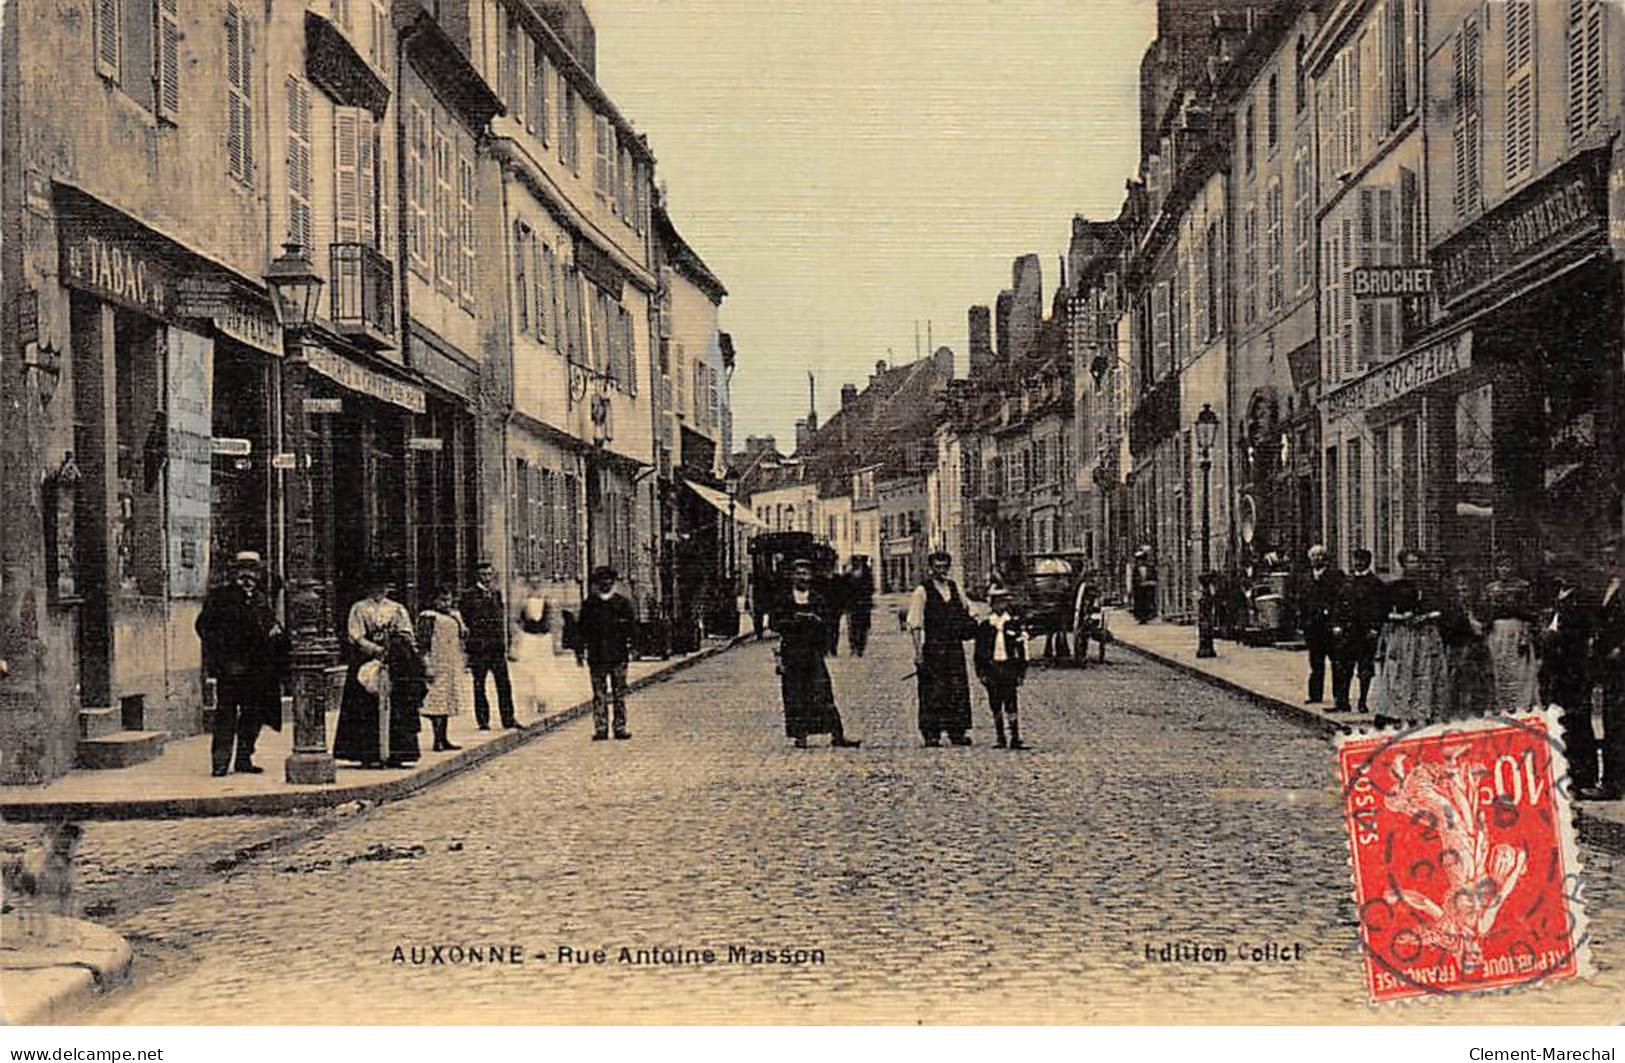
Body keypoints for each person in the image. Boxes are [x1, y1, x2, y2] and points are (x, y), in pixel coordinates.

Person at [195, 551, 287, 776]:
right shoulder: (220, 597)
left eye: (253, 570)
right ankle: (220, 762)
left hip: (258, 670)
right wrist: (222, 655)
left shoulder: (260, 599)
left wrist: (275, 631)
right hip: (231, 668)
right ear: (234, 572)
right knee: (226, 714)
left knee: (253, 714)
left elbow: (269, 625)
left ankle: (244, 759)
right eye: (243, 569)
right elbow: (203, 627)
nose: (248, 575)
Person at [334, 570, 422, 768]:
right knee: (364, 705)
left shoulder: (397, 608)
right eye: (375, 587)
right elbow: (356, 635)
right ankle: (366, 753)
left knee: (396, 704)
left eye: (383, 587)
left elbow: (406, 632)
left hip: (394, 662)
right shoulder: (359, 608)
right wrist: (375, 649)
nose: (379, 591)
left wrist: (394, 647)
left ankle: (397, 753)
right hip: (365, 659)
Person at [773, 559, 861, 749]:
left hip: (812, 653)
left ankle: (837, 735)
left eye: (805, 573)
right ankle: (800, 735)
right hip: (792, 652)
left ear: (810, 576)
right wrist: (794, 621)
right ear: (792, 576)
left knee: (822, 692)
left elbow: (828, 623)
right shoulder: (784, 599)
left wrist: (816, 622)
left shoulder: (817, 598)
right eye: (798, 573)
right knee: (795, 695)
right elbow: (775, 623)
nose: (802, 577)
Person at [1372, 548, 1449, 726]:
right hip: (1403, 635)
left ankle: (1422, 711)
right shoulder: (1394, 586)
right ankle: (1397, 712)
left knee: (1424, 672)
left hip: (1426, 635)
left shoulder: (1431, 586)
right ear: (1403, 564)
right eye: (1411, 562)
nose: (1415, 566)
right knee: (1400, 673)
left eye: (1417, 562)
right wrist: (1400, 617)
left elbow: (1442, 610)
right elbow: (1381, 613)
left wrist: (1428, 616)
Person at [907, 550, 977, 747]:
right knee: (933, 690)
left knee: (956, 688)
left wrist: (972, 623)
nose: (941, 570)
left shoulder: (955, 588)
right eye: (937, 567)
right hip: (934, 648)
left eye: (944, 566)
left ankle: (957, 731)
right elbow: (915, 623)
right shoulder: (922, 591)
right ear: (931, 568)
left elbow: (969, 609)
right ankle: (932, 732)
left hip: (954, 647)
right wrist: (918, 653)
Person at [1541, 572, 1597, 796]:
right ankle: (1570, 774)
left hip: (1573, 668)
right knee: (1563, 720)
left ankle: (1584, 776)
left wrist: (1554, 637)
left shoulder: (1580, 599)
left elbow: (1576, 635)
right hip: (1559, 668)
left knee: (1578, 722)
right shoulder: (1558, 596)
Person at [1583, 534, 1625, 800]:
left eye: (1612, 554)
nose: (1607, 559)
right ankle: (1612, 779)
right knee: (1612, 720)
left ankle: (1612, 783)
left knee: (1617, 721)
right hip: (1609, 665)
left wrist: (1620, 648)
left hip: (1620, 662)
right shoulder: (1610, 585)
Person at [575, 566, 637, 741]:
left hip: (618, 655)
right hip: (597, 656)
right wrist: (579, 652)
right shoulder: (590, 605)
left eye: (608, 580)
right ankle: (601, 727)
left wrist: (632, 647)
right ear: (597, 583)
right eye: (601, 580)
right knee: (599, 693)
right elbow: (582, 630)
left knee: (619, 693)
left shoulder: (622, 603)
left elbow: (631, 629)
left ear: (613, 582)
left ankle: (620, 726)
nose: (605, 583)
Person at [460, 560, 519, 731]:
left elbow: (501, 620)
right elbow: (466, 620)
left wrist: (506, 642)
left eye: (489, 574)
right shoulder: (469, 595)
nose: (487, 578)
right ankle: (483, 720)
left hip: (496, 647)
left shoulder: (496, 594)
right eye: (483, 575)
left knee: (504, 684)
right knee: (479, 685)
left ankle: (508, 718)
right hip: (479, 648)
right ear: (477, 576)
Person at [1483, 553, 1540, 713]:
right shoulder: (1490, 588)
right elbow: (1486, 612)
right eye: (1501, 566)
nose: (1504, 570)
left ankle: (1521, 704)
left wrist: (1525, 635)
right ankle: (1501, 704)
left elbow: (1530, 612)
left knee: (1519, 668)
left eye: (1508, 566)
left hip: (1517, 628)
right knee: (1500, 667)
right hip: (1497, 631)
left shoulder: (1523, 586)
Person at [973, 585, 1028, 749]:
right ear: (991, 604)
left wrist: (1021, 671)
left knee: (1011, 701)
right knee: (995, 702)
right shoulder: (985, 626)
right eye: (996, 603)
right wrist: (981, 671)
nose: (999, 606)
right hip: (992, 668)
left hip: (1009, 667)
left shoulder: (1013, 625)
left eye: (1003, 603)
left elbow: (1022, 649)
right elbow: (979, 650)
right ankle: (1000, 737)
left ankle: (1015, 736)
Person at [1334, 548, 1385, 713]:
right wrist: (1337, 625)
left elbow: (1380, 609)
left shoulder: (1375, 583)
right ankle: (1343, 702)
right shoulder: (1347, 581)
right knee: (1344, 667)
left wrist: (1375, 628)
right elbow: (1338, 605)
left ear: (1368, 562)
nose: (1357, 563)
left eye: (1361, 560)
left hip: (1365, 633)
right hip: (1348, 631)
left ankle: (1362, 701)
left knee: (1365, 669)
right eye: (1355, 560)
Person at [416, 586, 466, 753]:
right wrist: (426, 665)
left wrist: (459, 620)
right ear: (434, 600)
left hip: (449, 664)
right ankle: (437, 739)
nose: (446, 603)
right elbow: (422, 644)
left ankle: (444, 738)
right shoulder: (428, 617)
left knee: (446, 702)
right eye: (442, 600)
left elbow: (463, 636)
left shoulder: (452, 616)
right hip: (435, 663)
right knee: (436, 703)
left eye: (449, 600)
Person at [1440, 566, 1492, 719]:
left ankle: (1476, 708)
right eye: (1459, 589)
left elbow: (1484, 625)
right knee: (1455, 677)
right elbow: (1447, 627)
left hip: (1476, 645)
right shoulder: (1451, 607)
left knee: (1477, 678)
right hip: (1457, 644)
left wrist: (1473, 621)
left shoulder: (1481, 605)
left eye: (1466, 589)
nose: (1463, 592)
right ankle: (1455, 710)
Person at [1300, 544, 1345, 706]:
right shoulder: (1305, 578)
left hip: (1330, 627)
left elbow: (1340, 601)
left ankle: (1339, 696)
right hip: (1313, 628)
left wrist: (1337, 622)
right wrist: (1303, 623)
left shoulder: (1336, 576)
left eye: (1320, 555)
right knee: (1315, 663)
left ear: (1325, 558)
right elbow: (1301, 602)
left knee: (1336, 663)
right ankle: (1315, 695)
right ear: (1310, 559)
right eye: (1314, 556)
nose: (1317, 558)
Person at [511, 581, 556, 718]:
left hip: (543, 640)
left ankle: (542, 701)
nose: (536, 590)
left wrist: (553, 638)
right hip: (529, 639)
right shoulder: (523, 603)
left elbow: (552, 620)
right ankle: (529, 701)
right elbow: (516, 620)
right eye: (533, 586)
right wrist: (518, 637)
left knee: (544, 671)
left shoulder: (547, 602)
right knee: (528, 670)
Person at [847, 557, 875, 657]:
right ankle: (854, 647)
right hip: (853, 605)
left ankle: (860, 648)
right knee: (853, 627)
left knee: (863, 627)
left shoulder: (867, 574)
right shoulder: (850, 574)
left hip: (864, 605)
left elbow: (870, 588)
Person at [1131, 547, 1158, 623]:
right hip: (1139, 589)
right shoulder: (1136, 569)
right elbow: (1134, 579)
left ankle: (1146, 616)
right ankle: (1140, 617)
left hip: (1147, 588)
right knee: (1140, 603)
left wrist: (1150, 582)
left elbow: (1153, 576)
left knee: (1147, 602)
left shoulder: (1149, 567)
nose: (1140, 561)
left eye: (1141, 560)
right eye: (1138, 560)